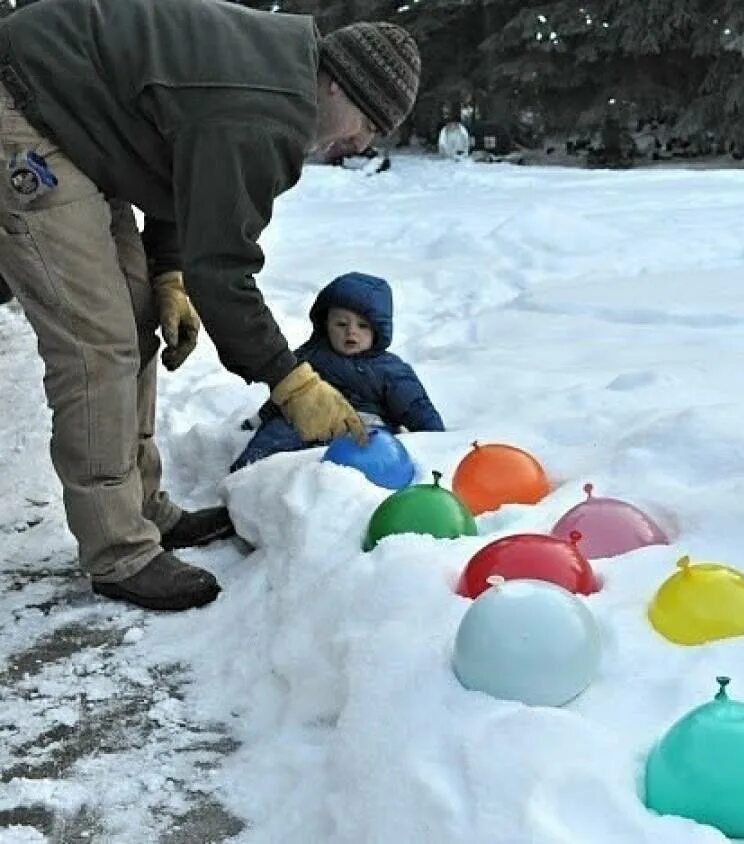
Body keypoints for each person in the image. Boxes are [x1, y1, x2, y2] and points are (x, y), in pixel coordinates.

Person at [0, 0, 421, 611]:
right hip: (26, 107)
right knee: (98, 342)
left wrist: (167, 272)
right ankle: (119, 552)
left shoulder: (272, 82)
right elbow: (222, 268)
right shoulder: (263, 109)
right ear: (336, 83)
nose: (360, 141)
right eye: (368, 120)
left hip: (77, 122)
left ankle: (140, 507)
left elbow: (179, 170)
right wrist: (291, 381)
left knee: (137, 317)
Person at [232, 272, 443, 470]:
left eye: (363, 326)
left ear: (378, 330)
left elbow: (415, 406)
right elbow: (288, 390)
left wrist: (437, 441)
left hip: (362, 428)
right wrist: (261, 418)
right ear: (326, 325)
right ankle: (248, 475)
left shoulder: (390, 370)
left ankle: (355, 490)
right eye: (341, 324)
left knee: (373, 448)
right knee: (277, 432)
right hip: (310, 420)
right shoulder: (310, 355)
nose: (351, 331)